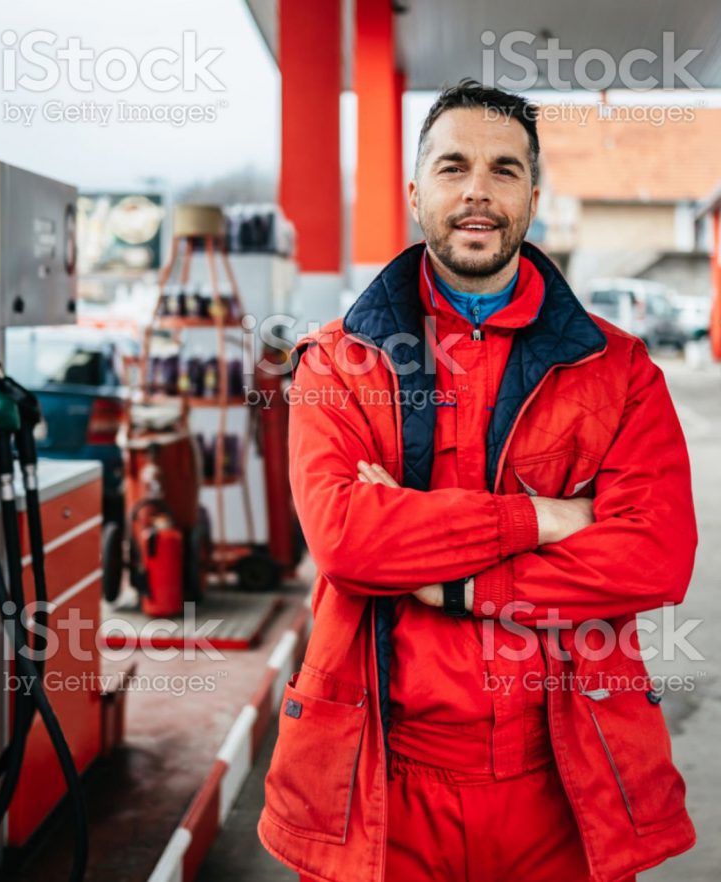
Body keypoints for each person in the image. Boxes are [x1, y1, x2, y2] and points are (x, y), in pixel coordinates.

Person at [257, 79, 698, 882]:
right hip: (383, 779)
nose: (476, 191)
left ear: (533, 192)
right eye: (454, 165)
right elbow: (349, 543)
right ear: (417, 189)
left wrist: (453, 585)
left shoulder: (621, 370)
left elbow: (658, 556)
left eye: (503, 169)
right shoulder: (338, 364)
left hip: (563, 782)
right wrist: (548, 520)